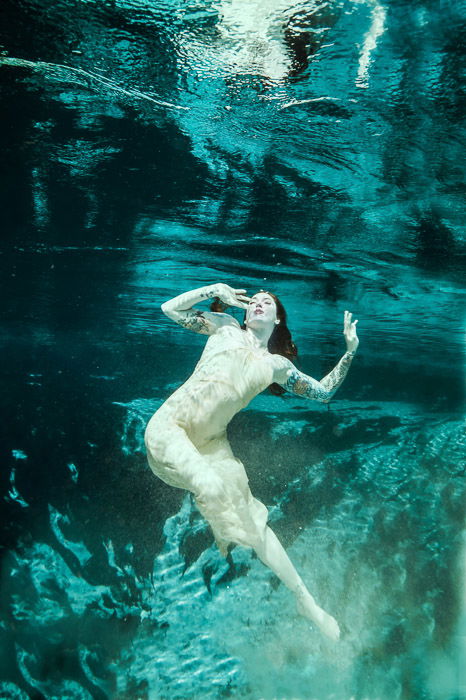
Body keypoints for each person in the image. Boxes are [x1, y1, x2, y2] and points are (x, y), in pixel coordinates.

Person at [145, 283, 359, 640]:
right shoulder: (223, 324)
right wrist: (214, 290)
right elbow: (170, 309)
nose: (259, 304)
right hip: (170, 431)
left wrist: (349, 351)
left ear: (277, 320)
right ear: (245, 312)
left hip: (211, 445)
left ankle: (308, 603)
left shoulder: (276, 366)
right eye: (254, 301)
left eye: (267, 302)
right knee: (212, 488)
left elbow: (323, 394)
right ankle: (224, 540)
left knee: (257, 524)